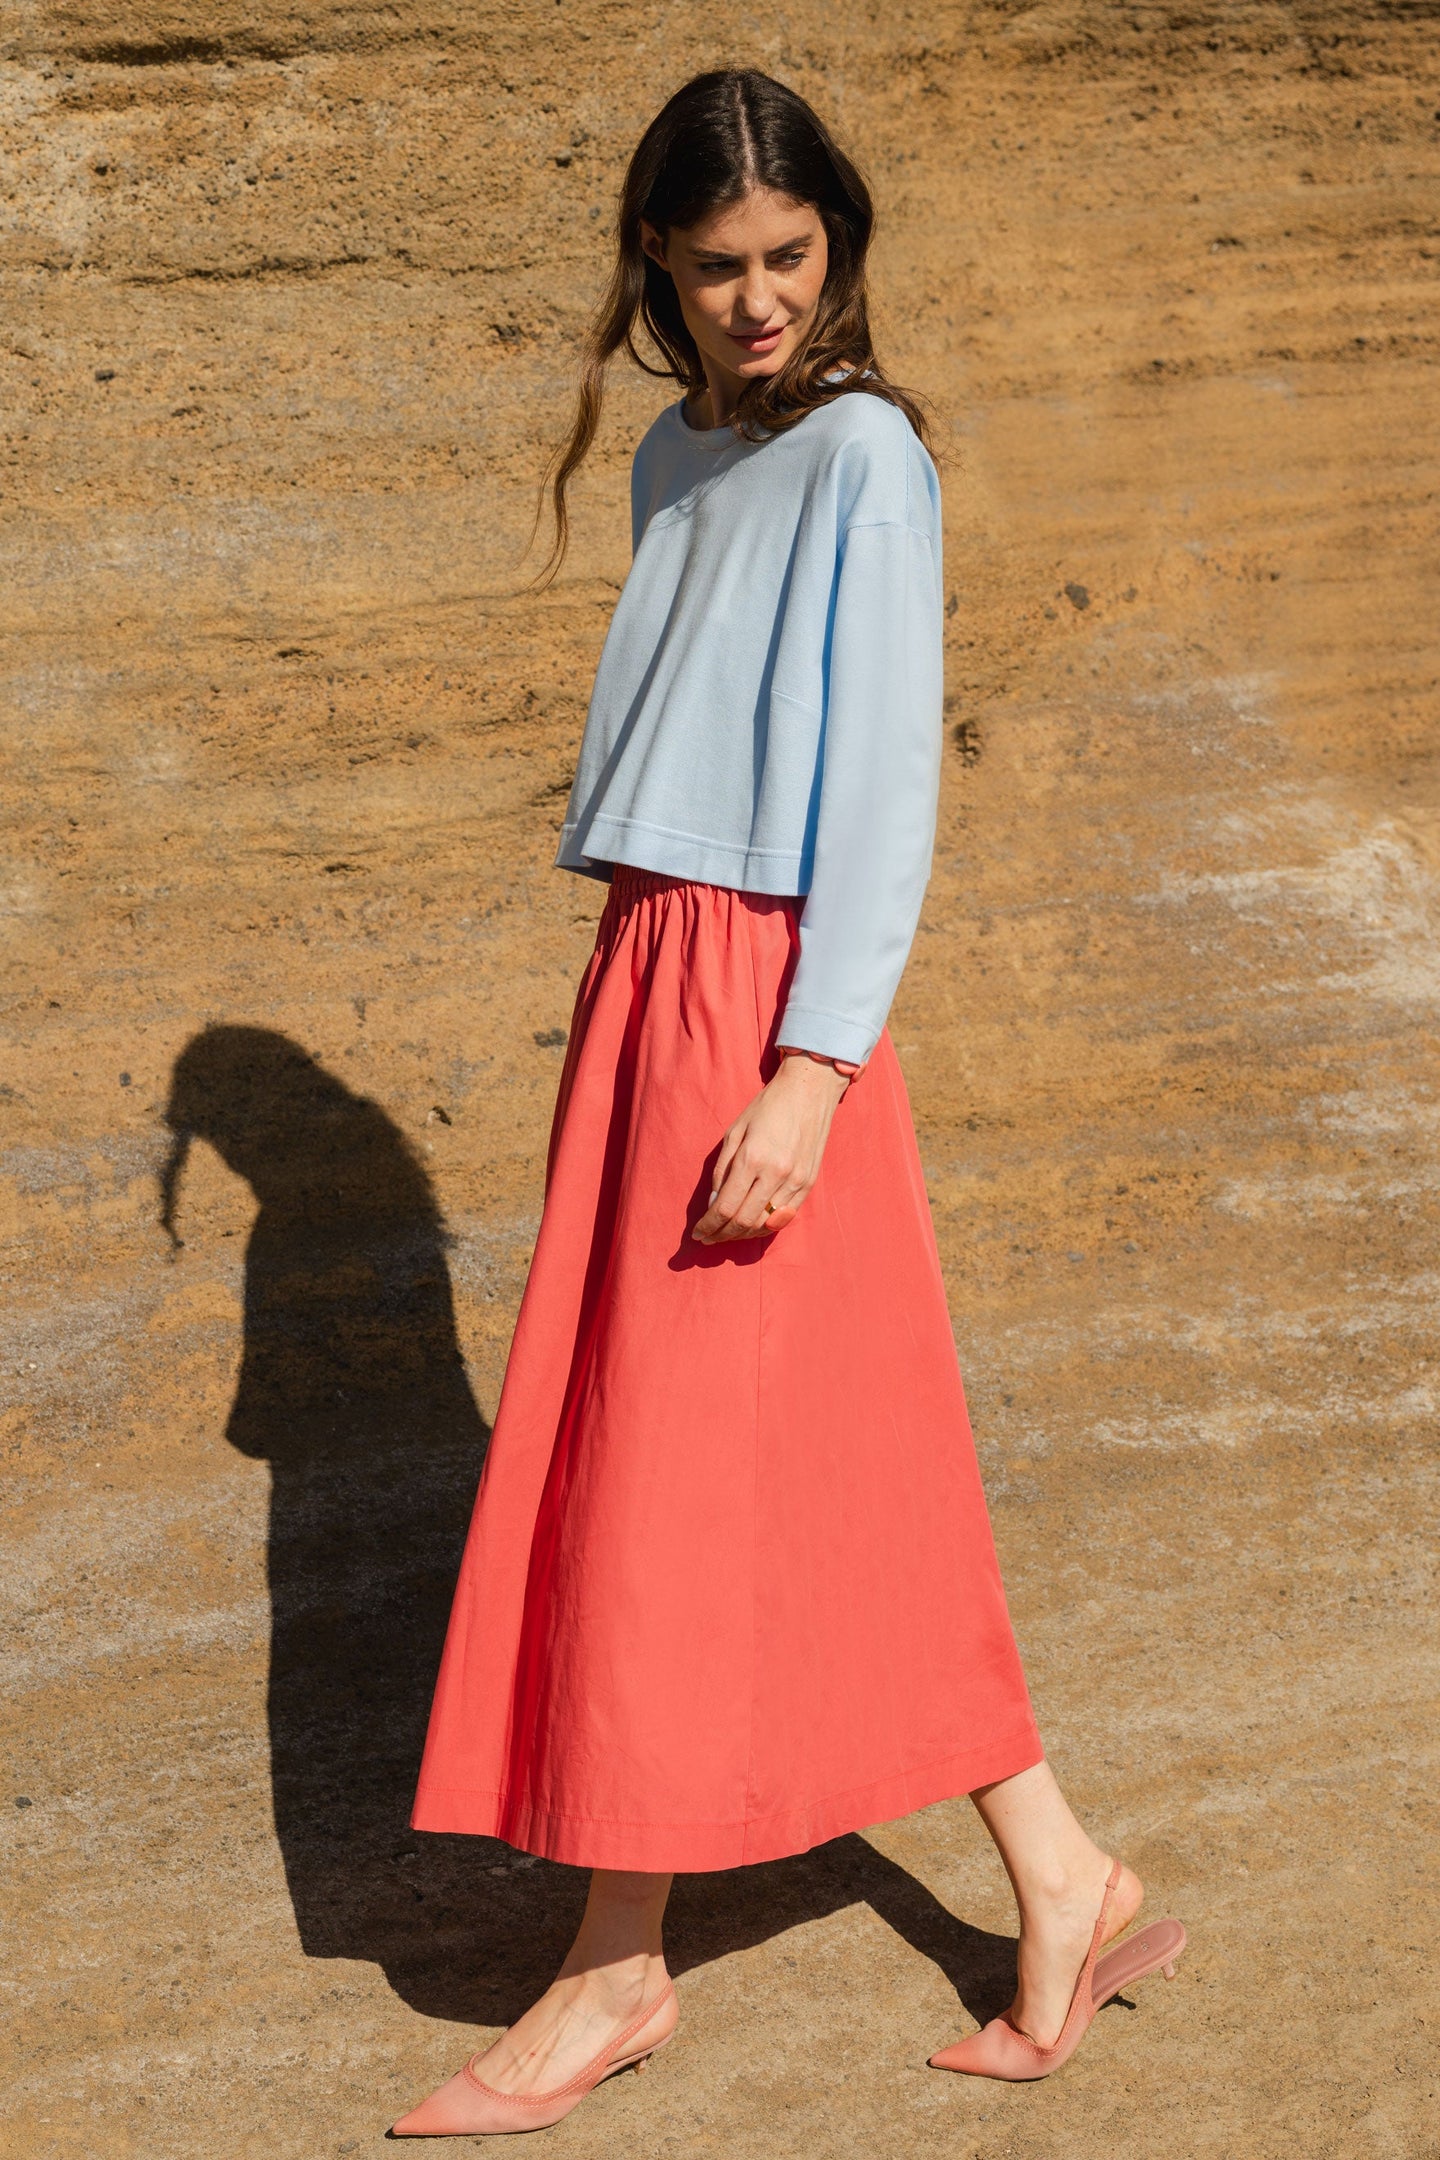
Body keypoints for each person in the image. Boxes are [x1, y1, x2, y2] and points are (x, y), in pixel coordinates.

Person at [392, 67, 1184, 2138]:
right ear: (659, 263)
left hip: (762, 1004)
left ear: (835, 248)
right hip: (654, 971)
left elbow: (882, 791)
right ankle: (1063, 1877)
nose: (759, 301)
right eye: (719, 264)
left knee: (669, 1472)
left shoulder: (863, 458)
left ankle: (612, 1968)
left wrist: (816, 1070)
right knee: (804, 1471)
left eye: (791, 259)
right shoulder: (675, 452)